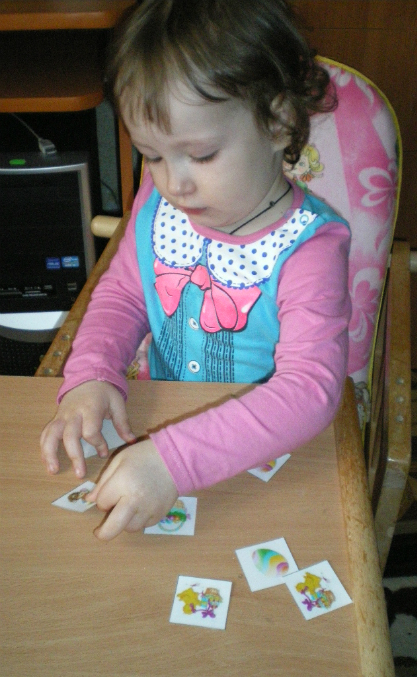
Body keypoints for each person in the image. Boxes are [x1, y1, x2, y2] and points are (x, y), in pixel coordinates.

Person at [40, 0, 351, 541]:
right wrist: (90, 374)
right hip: (161, 424)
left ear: (279, 123)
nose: (173, 184)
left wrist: (173, 460)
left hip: (268, 449)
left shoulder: (311, 249)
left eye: (201, 155)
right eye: (152, 155)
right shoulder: (159, 204)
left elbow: (309, 391)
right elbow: (123, 296)